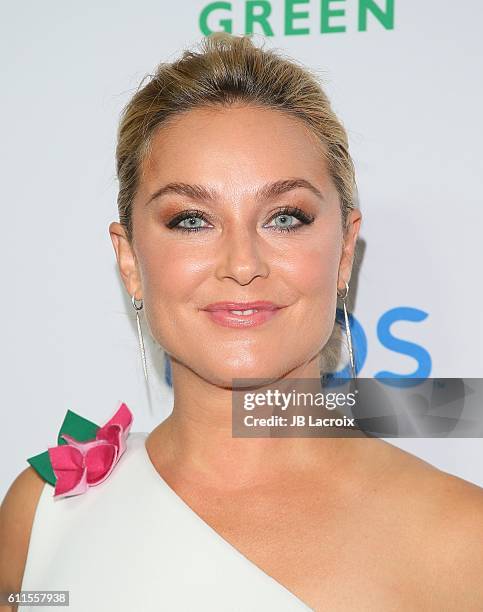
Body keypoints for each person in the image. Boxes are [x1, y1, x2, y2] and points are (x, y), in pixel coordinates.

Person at [1, 32, 483, 612]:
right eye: (190, 220)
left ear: (345, 252)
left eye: (284, 217)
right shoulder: (42, 511)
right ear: (130, 260)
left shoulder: (463, 543)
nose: (242, 264)